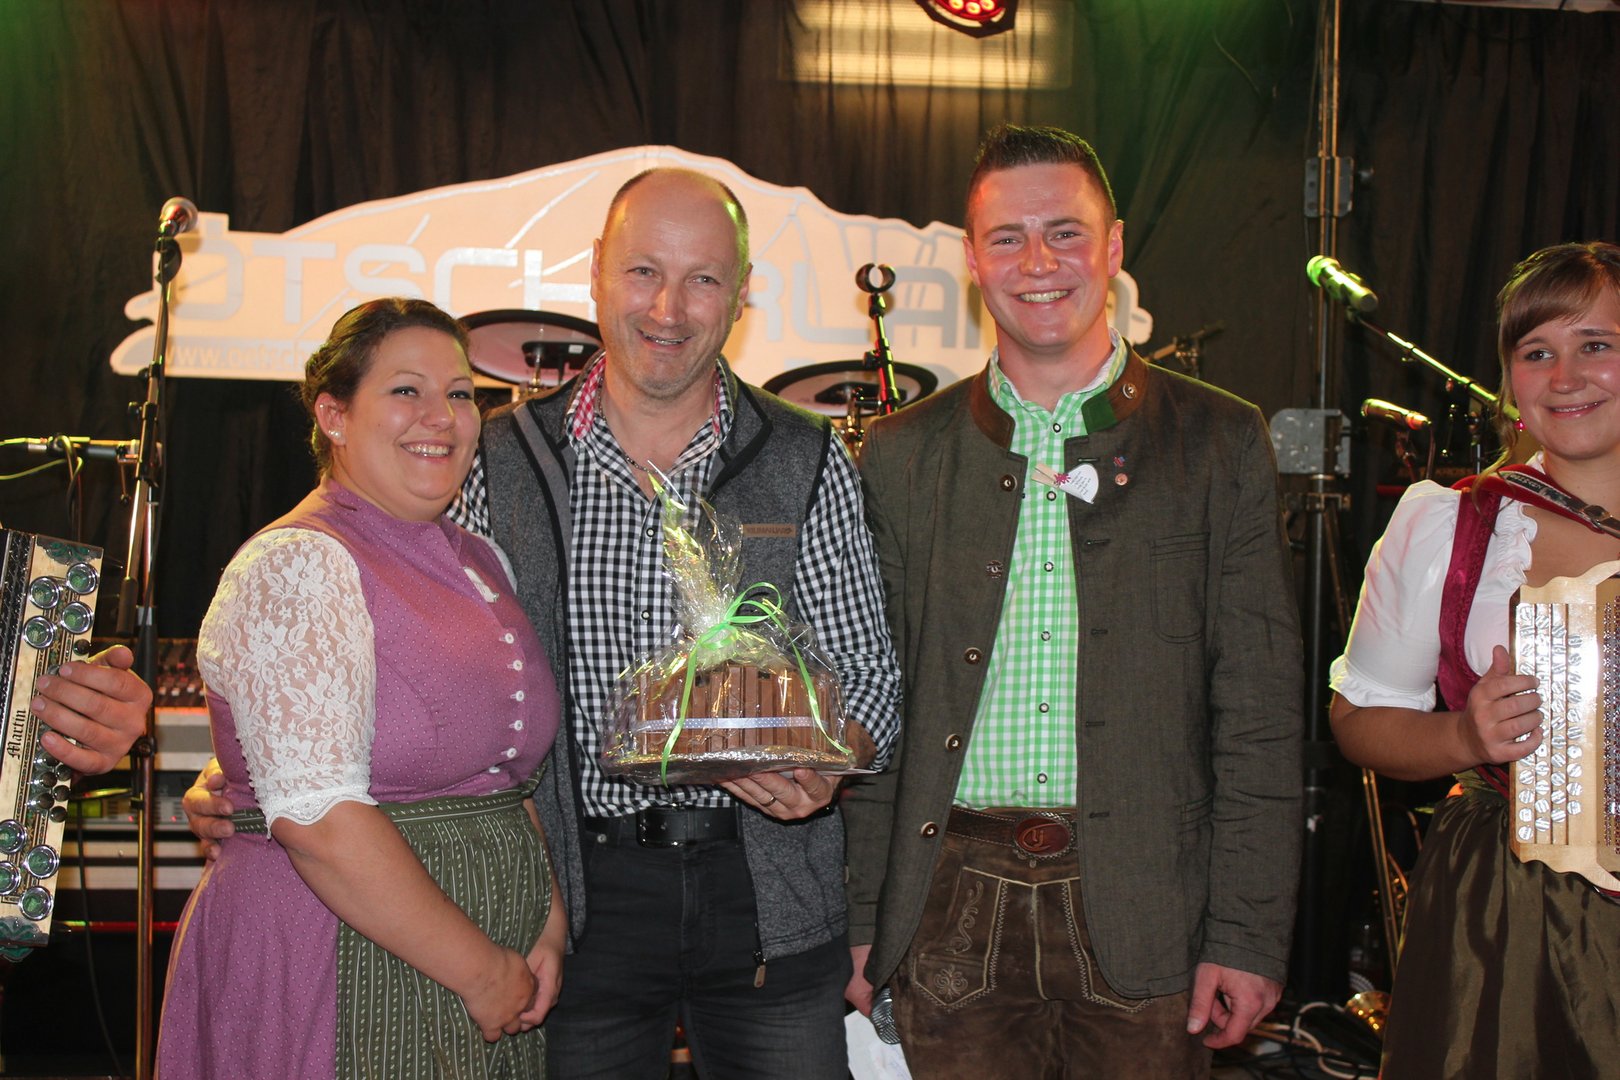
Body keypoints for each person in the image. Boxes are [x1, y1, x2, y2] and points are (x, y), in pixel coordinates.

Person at [189, 169, 902, 1079]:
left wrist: (827, 762)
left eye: (703, 279)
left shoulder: (805, 453)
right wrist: (251, 762)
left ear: (741, 293)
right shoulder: (492, 455)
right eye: (643, 271)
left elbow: (870, 676)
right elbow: (393, 636)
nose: (669, 308)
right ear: (597, 271)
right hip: (566, 896)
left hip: (770, 893)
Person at [843, 123, 1304, 1078]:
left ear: (1114, 246)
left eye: (1066, 232)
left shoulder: (1219, 442)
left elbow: (1259, 714)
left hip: (1150, 901)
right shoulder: (903, 453)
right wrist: (860, 916)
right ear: (973, 260)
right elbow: (874, 704)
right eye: (1007, 238)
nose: (1039, 262)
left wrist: (1249, 934)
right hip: (948, 904)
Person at [158, 298, 564, 1079]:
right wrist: (482, 972)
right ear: (334, 415)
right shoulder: (296, 566)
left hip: (486, 966)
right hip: (331, 959)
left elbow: (505, 778)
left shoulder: (481, 559)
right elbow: (318, 820)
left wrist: (545, 919)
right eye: (406, 390)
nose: (440, 416)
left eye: (459, 393)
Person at [1328, 241, 1620, 1080]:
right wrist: (1464, 736)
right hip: (1513, 910)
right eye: (1537, 352)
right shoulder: (1456, 528)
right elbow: (1358, 721)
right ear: (1509, 382)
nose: (1566, 376)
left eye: (1595, 344)